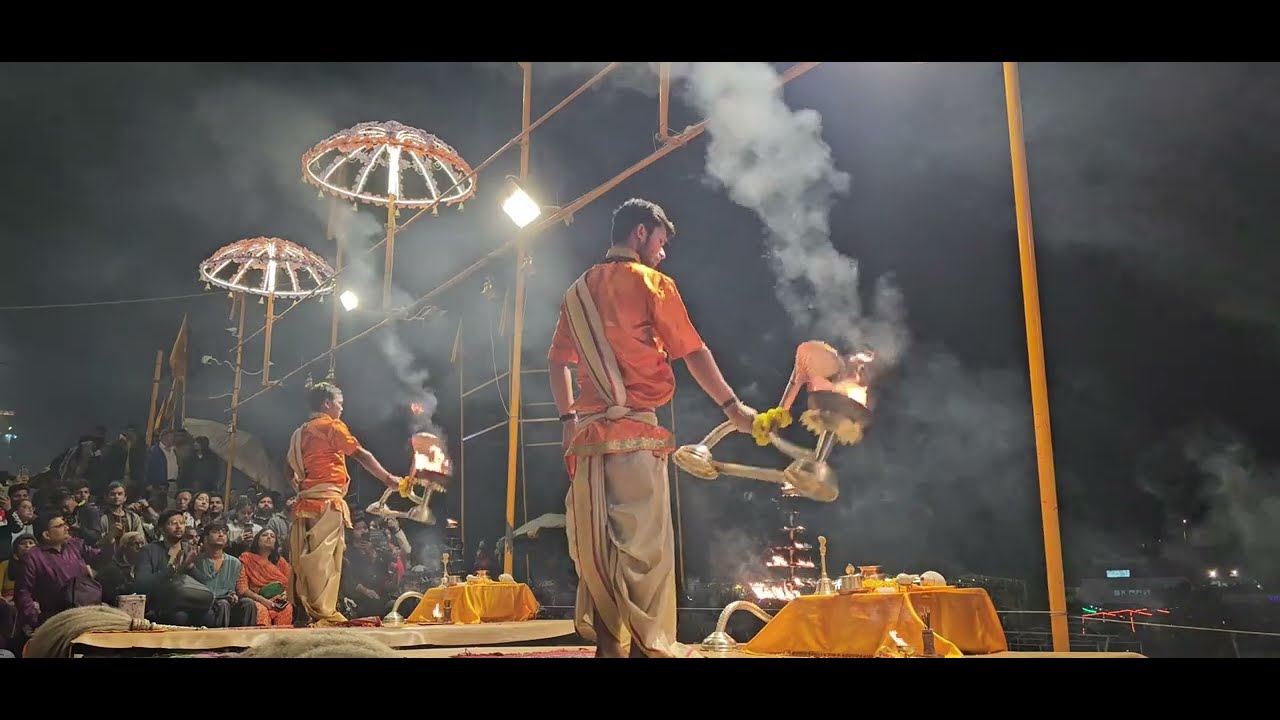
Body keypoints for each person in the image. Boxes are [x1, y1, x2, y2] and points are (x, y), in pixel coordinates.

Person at [547, 198, 757, 658]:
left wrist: (568, 422)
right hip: (636, 437)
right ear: (641, 233)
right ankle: (646, 648)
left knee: (599, 551)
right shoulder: (652, 283)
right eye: (660, 242)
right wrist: (731, 405)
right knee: (645, 552)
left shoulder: (576, 292)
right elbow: (693, 351)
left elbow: (556, 363)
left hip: (586, 441)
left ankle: (609, 649)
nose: (663, 253)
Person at [286, 382, 402, 626]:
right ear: (327, 403)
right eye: (339, 403)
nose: (341, 408)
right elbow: (361, 454)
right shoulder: (332, 426)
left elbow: (289, 469)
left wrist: (300, 488)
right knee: (323, 562)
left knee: (306, 559)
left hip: (305, 503)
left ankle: (305, 612)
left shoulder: (300, 432)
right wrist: (389, 479)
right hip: (327, 503)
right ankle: (321, 612)